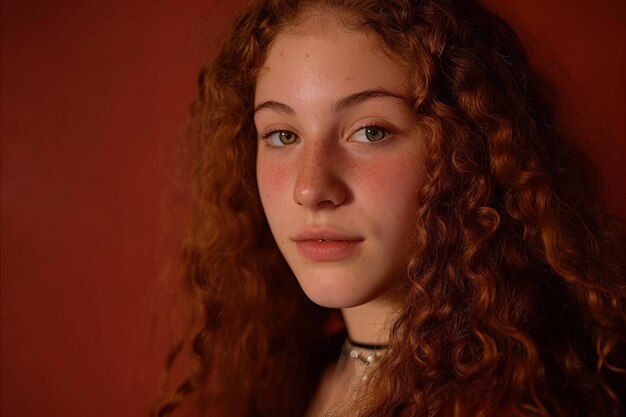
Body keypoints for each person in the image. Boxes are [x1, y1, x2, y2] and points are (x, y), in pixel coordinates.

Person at [155, 0, 626, 416]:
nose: (311, 188)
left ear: (466, 152)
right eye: (283, 135)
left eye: (370, 132)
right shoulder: (302, 378)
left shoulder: (505, 403)